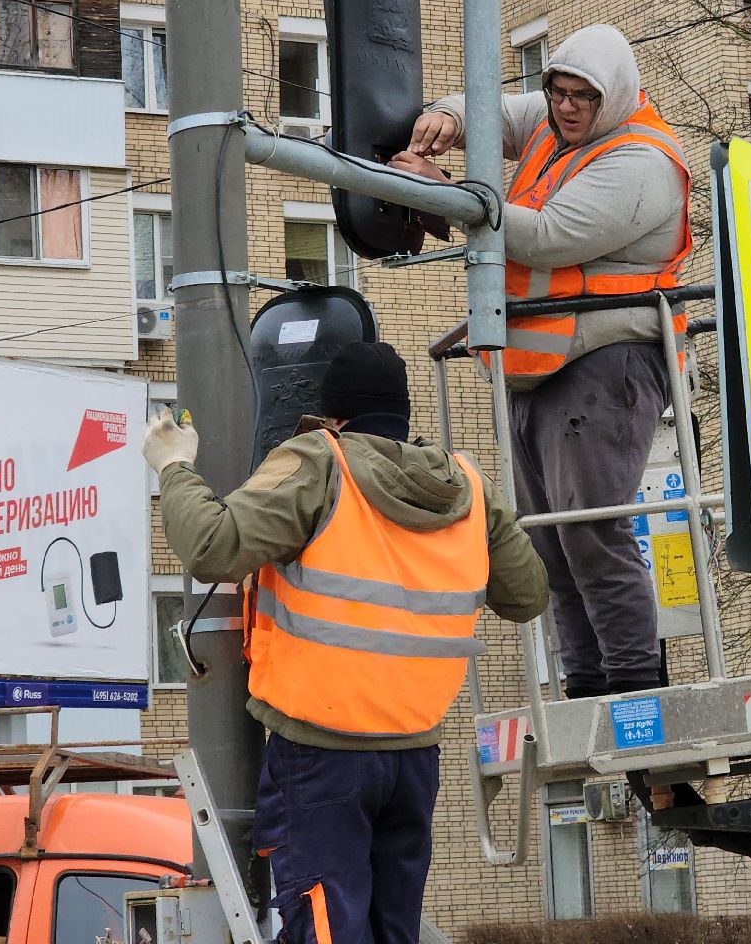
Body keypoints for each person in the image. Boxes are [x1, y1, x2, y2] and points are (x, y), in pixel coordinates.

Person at [142, 341, 548, 944]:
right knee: (393, 930)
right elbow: (527, 596)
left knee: (327, 928)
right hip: (414, 753)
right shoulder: (465, 485)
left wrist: (174, 466)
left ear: (333, 419)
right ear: (403, 417)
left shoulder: (320, 462)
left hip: (321, 755)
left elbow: (214, 548)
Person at [388, 23, 690, 698]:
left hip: (607, 365)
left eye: (583, 96)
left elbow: (549, 237)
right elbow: (494, 112)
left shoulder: (640, 162)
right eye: (557, 92)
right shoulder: (555, 124)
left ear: (611, 97)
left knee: (589, 533)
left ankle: (633, 689)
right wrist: (448, 115)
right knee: (551, 545)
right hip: (543, 367)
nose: (566, 108)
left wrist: (445, 194)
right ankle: (585, 685)